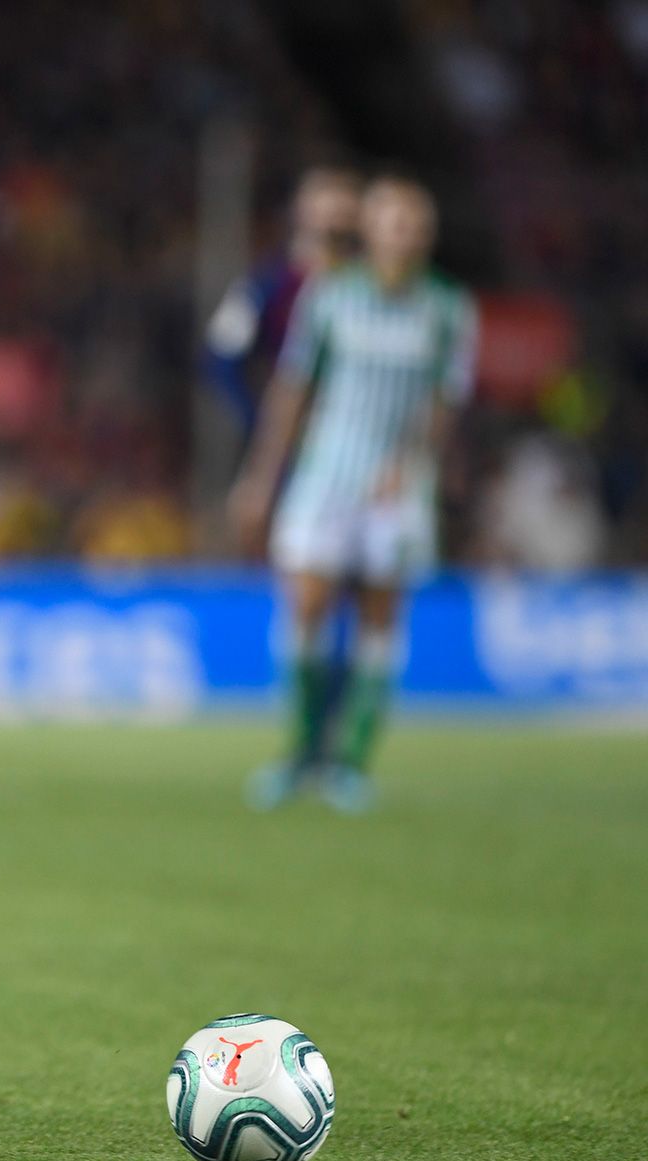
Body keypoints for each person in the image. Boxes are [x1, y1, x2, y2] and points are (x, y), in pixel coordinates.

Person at [228, 174, 477, 812]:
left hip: (396, 487)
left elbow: (446, 403)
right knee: (306, 604)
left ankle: (351, 761)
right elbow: (292, 390)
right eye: (395, 222)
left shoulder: (449, 308)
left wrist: (418, 463)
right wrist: (261, 479)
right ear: (370, 230)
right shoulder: (331, 297)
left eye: (417, 225)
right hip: (326, 476)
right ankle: (301, 751)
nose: (407, 235)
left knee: (379, 615)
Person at [204, 166, 362, 429]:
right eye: (327, 216)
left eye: (344, 217)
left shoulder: (368, 291)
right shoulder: (266, 283)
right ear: (302, 213)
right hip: (291, 442)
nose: (335, 225)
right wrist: (262, 423)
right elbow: (221, 359)